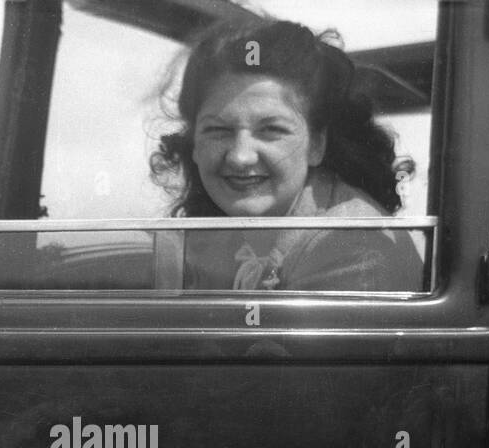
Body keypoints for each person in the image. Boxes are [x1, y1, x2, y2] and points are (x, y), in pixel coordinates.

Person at [150, 19, 423, 292]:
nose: (240, 157)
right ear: (194, 144)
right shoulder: (220, 234)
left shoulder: (354, 247)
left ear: (317, 144)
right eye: (218, 130)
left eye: (271, 130)